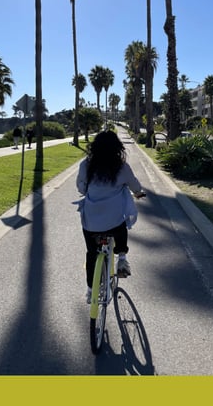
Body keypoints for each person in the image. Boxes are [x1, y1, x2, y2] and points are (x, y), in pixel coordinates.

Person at [75, 130, 145, 303]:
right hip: (113, 221)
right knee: (121, 227)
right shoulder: (122, 167)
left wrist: (90, 191)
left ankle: (91, 290)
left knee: (92, 253)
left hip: (91, 221)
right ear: (117, 147)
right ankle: (122, 258)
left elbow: (80, 187)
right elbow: (134, 185)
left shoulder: (86, 165)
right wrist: (138, 193)